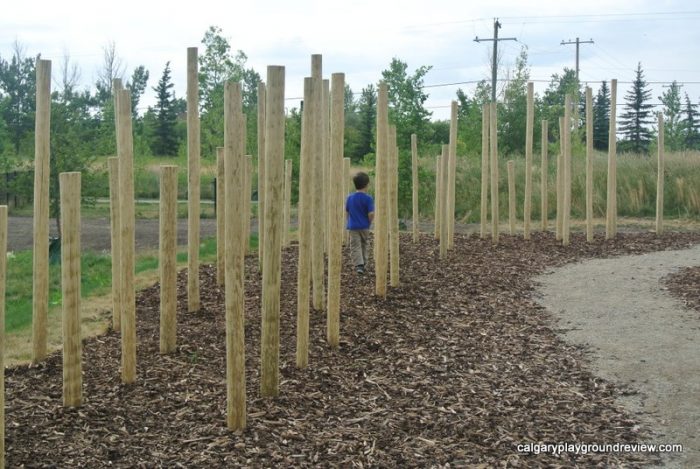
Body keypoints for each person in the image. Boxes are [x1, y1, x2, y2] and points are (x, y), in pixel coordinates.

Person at [346, 172, 375, 274]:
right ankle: (364, 262)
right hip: (364, 226)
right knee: (365, 244)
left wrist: (348, 222)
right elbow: (371, 213)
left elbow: (347, 211)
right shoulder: (368, 199)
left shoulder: (349, 197)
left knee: (355, 245)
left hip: (353, 227)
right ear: (367, 184)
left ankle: (359, 265)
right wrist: (369, 222)